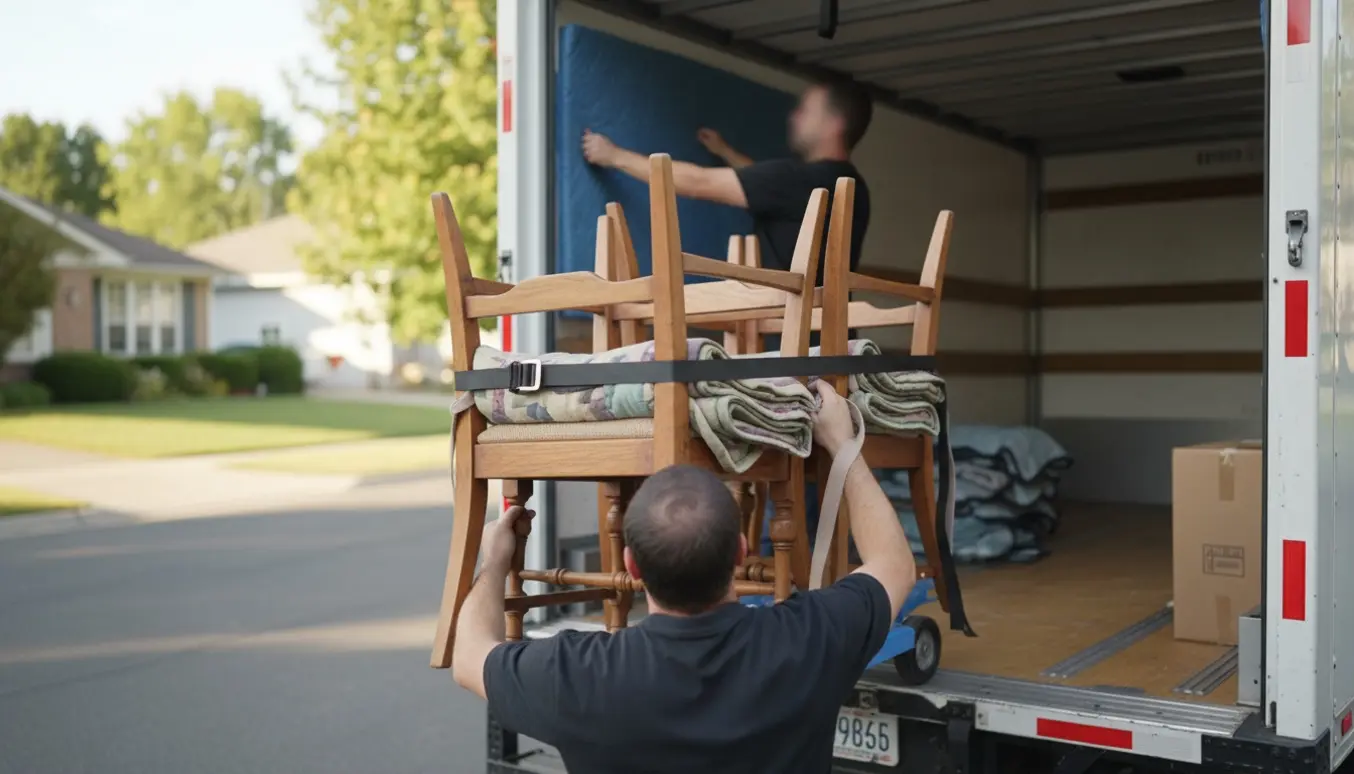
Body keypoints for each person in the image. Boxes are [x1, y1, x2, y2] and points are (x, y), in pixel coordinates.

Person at [452, 381, 917, 774]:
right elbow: (894, 564)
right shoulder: (809, 639)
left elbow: (468, 655)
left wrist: (493, 561)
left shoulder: (576, 675)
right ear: (740, 553)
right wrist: (841, 445)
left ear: (631, 566)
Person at [581, 78, 874, 284]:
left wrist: (613, 155)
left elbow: (698, 182)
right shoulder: (851, 186)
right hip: (832, 339)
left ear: (835, 124)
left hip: (790, 341)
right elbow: (768, 187)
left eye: (806, 110)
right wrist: (726, 152)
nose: (794, 117)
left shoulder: (798, 181)